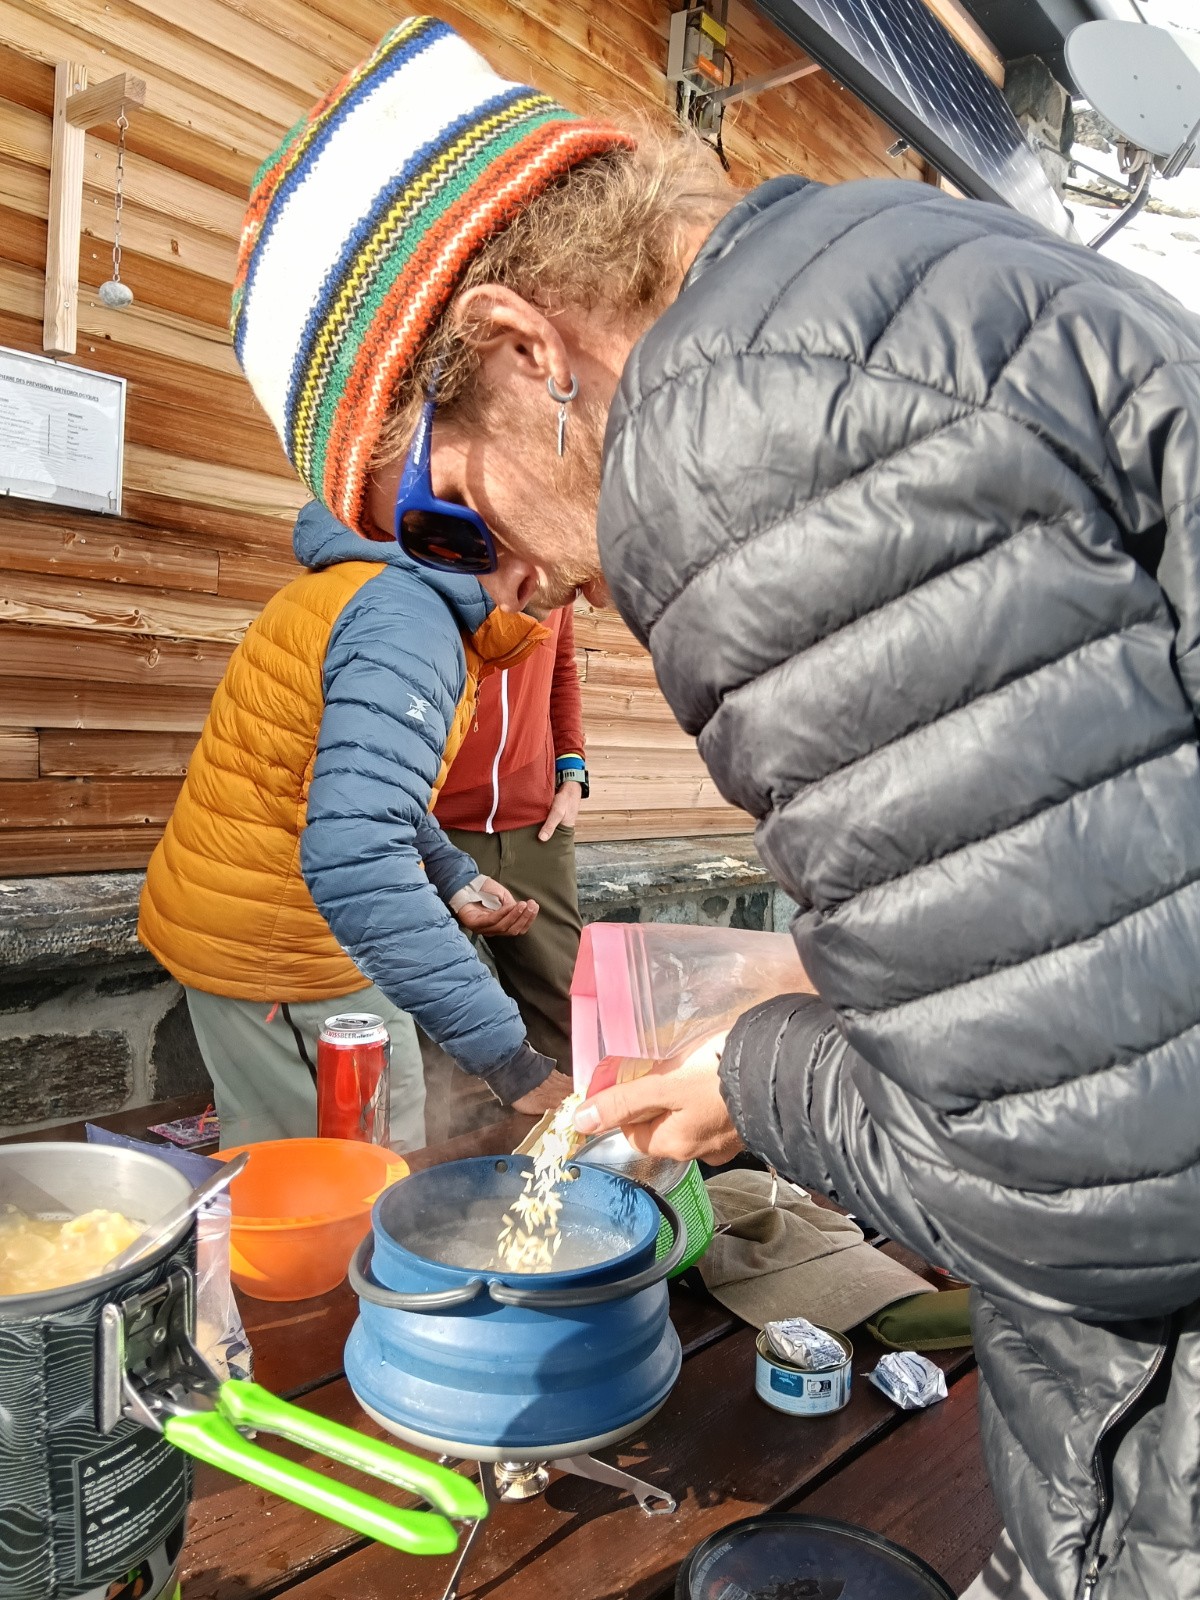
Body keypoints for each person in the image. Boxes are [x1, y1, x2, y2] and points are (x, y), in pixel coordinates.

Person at [220, 16, 1200, 1596]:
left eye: (450, 519)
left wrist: (758, 1070)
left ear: (523, 343)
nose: (514, 580)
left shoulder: (741, 444)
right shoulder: (873, 264)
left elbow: (1094, 1190)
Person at [139, 497, 571, 1147]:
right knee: (327, 1176)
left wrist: (453, 876)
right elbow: (361, 847)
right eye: (566, 585)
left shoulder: (368, 588)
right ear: (525, 570)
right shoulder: (409, 624)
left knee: (329, 1156)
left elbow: (362, 787)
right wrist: (510, 1060)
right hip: (274, 942)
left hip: (256, 917)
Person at [433, 603, 586, 1071]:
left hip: (536, 825)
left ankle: (572, 1138)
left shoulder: (559, 572)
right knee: (433, 1020)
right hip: (436, 829)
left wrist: (571, 770)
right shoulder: (435, 546)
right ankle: (456, 1144)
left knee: (571, 1012)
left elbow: (560, 668)